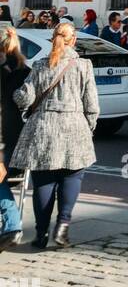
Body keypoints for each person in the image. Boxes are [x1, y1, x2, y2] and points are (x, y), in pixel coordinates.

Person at [11, 21, 99, 249]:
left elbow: (24, 98)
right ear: (74, 41)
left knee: (44, 181)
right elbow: (92, 104)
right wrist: (88, 127)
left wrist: (15, 91)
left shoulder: (40, 64)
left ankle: (40, 235)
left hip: (43, 126)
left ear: (54, 39)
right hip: (74, 125)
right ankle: (62, 228)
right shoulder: (84, 65)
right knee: (72, 176)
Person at [0, 27, 31, 249]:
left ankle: (11, 224)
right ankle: (11, 225)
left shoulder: (6, 71)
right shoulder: (25, 69)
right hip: (18, 138)